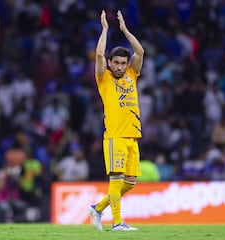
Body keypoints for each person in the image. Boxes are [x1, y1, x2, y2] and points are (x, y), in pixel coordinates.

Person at [87, 9, 144, 231]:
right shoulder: (104, 78)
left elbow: (140, 51)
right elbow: (100, 55)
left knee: (129, 182)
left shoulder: (132, 74)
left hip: (133, 136)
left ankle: (98, 208)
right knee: (116, 178)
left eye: (123, 63)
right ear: (110, 63)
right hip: (115, 136)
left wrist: (125, 30)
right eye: (116, 63)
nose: (120, 67)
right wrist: (105, 30)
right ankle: (118, 222)